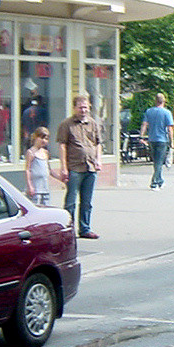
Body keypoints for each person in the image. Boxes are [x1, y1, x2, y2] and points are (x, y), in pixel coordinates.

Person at [57, 95, 102, 239]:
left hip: (90, 168)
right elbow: (62, 146)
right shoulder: (67, 124)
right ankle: (68, 229)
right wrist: (64, 167)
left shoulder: (93, 123)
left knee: (87, 201)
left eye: (86, 107)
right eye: (80, 107)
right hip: (75, 167)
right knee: (71, 201)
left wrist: (98, 160)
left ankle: (85, 228)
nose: (83, 110)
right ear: (74, 108)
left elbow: (98, 143)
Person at [140, 92, 174, 191]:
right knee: (159, 162)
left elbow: (144, 125)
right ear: (164, 101)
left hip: (152, 140)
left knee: (156, 162)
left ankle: (160, 181)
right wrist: (172, 142)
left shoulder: (149, 111)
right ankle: (154, 183)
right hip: (162, 140)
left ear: (155, 101)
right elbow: (170, 129)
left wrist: (141, 136)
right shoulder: (167, 113)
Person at [25, 127, 62, 206]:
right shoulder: (31, 152)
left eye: (46, 139)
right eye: (41, 138)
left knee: (46, 206)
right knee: (35, 206)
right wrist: (30, 186)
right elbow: (27, 170)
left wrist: (59, 178)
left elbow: (49, 170)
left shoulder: (45, 153)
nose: (44, 141)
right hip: (35, 188)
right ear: (35, 137)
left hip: (45, 188)